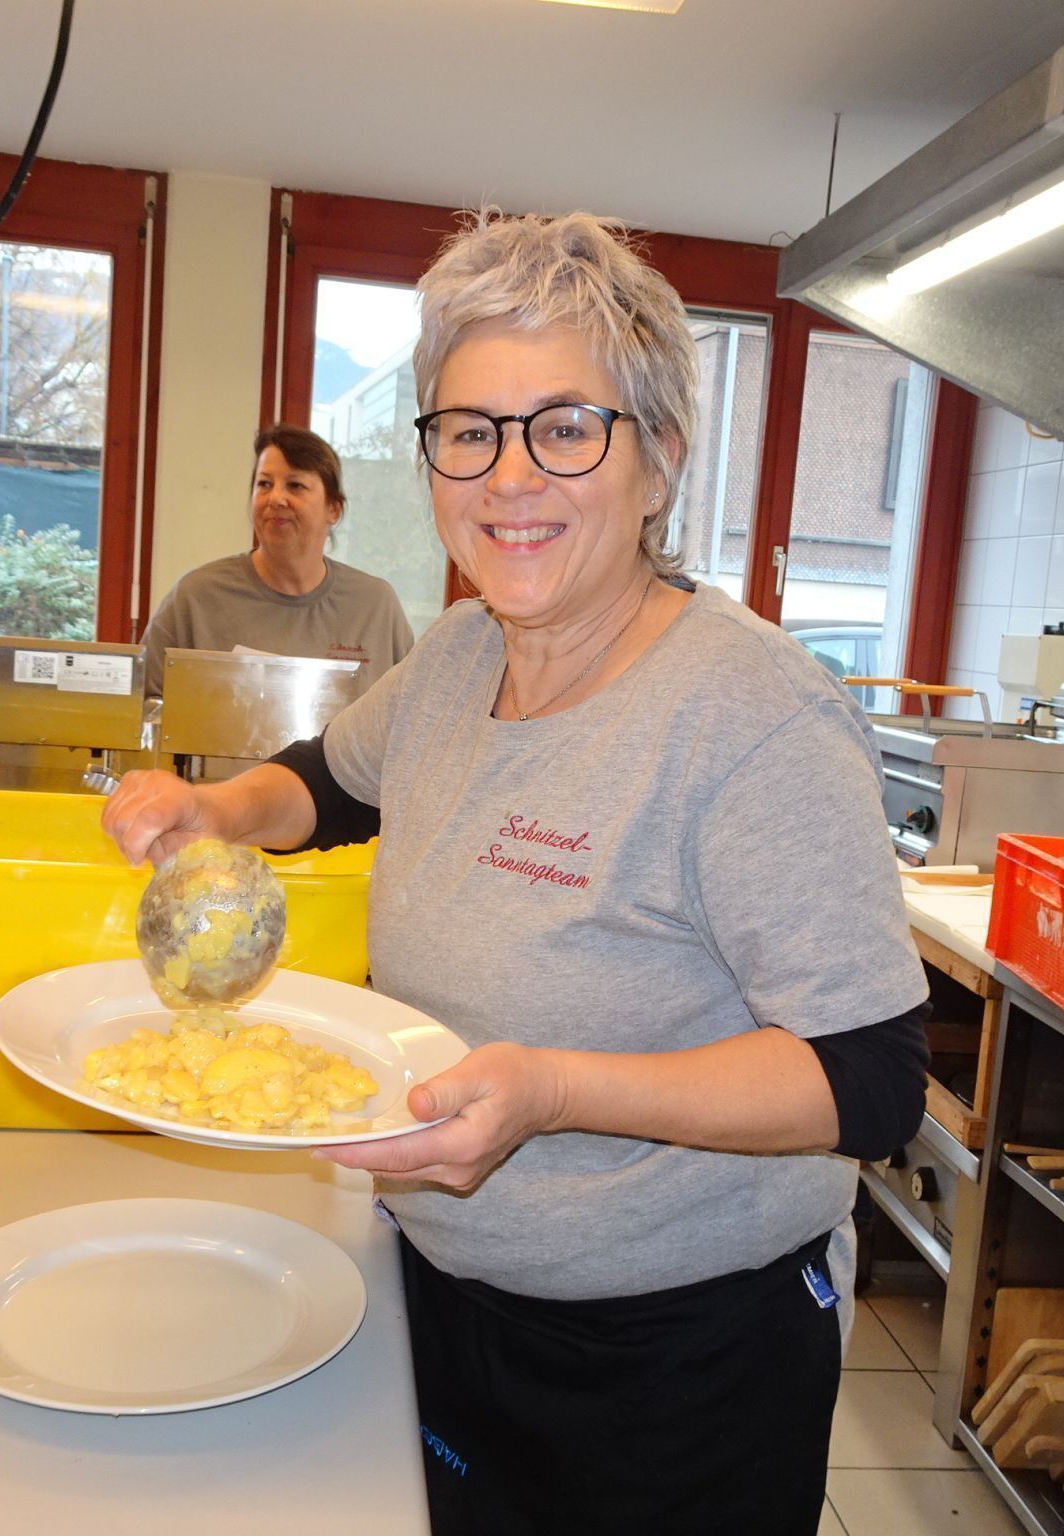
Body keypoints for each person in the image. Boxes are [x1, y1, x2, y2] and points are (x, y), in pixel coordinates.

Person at [103, 212, 930, 1535]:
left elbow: (873, 1079)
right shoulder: (458, 654)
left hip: (677, 1364)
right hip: (445, 1288)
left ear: (658, 461)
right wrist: (215, 811)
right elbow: (328, 781)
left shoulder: (750, 713)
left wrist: (551, 1090)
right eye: (469, 431)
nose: (509, 477)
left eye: (566, 427)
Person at [138, 423, 414, 697]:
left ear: (333, 509)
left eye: (295, 485)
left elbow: (409, 715)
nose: (276, 498)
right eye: (264, 484)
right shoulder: (195, 597)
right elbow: (144, 706)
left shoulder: (376, 606)